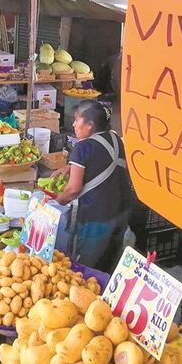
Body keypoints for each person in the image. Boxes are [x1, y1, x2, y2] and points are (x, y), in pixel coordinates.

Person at [54, 100, 131, 271]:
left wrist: (55, 202)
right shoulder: (115, 138)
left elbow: (73, 189)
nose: (73, 124)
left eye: (77, 120)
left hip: (95, 219)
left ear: (90, 125)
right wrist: (70, 166)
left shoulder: (82, 147)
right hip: (120, 213)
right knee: (108, 263)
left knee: (84, 268)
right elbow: (103, 160)